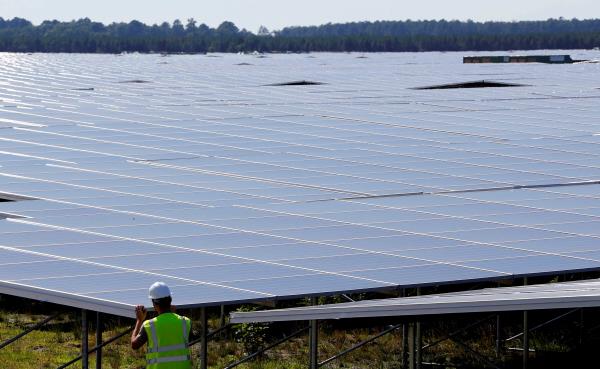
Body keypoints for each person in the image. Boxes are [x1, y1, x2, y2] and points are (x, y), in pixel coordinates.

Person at [131, 282, 192, 369]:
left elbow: (134, 345)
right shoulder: (185, 322)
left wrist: (139, 320)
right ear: (170, 300)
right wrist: (173, 314)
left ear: (154, 304)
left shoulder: (149, 325)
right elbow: (183, 340)